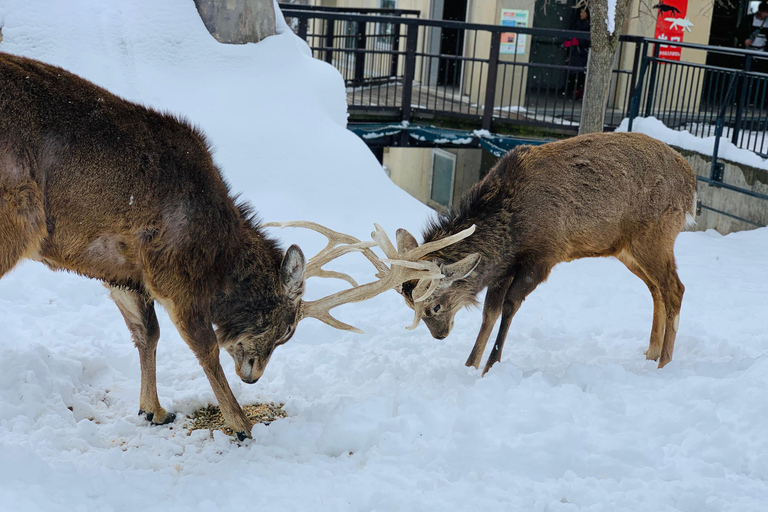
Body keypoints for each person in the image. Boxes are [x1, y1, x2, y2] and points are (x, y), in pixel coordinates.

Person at [564, 7, 590, 100]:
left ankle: (580, 91)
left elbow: (588, 40)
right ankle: (576, 91)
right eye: (580, 12)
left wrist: (578, 41)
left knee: (581, 74)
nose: (581, 14)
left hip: (583, 53)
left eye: (583, 12)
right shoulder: (577, 23)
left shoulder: (589, 25)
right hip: (576, 52)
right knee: (574, 72)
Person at [737, 1, 768, 73]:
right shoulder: (748, 20)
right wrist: (744, 40)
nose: (766, 15)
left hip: (761, 52)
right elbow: (739, 32)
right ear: (759, 11)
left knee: (758, 71)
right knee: (746, 70)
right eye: (765, 12)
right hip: (748, 50)